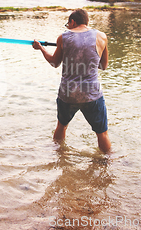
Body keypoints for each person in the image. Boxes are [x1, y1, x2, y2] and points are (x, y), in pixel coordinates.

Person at [33, 9, 111, 153]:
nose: (67, 28)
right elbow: (104, 66)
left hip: (68, 93)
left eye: (68, 24)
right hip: (91, 93)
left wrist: (41, 49)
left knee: (61, 126)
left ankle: (60, 157)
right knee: (102, 133)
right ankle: (106, 164)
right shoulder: (101, 37)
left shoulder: (63, 38)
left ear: (73, 22)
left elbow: (54, 63)